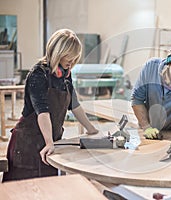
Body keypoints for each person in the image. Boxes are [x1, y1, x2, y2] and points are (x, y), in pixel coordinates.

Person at [3, 29, 99, 182]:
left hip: (51, 143)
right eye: (70, 57)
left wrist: (91, 129)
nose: (72, 62)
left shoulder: (65, 75)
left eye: (76, 58)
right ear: (58, 51)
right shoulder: (38, 74)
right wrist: (49, 142)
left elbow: (74, 105)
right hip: (28, 143)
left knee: (49, 189)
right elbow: (43, 112)